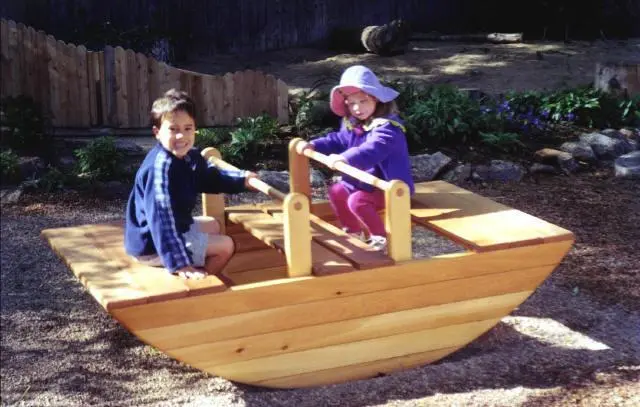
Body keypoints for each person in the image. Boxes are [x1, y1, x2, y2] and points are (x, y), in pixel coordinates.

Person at [124, 89, 257, 280]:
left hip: (167, 231)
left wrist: (242, 179)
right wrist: (180, 263)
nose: (182, 136)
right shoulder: (160, 170)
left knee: (213, 225)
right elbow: (162, 221)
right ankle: (202, 284)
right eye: (173, 129)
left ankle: (205, 267)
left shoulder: (187, 156)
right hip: (151, 245)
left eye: (188, 128)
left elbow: (209, 177)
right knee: (226, 245)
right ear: (157, 133)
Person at [303, 65, 414, 251]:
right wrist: (314, 145)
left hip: (390, 188)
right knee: (337, 191)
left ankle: (379, 237)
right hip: (363, 182)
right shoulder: (354, 123)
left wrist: (345, 158)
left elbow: (372, 149)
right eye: (351, 103)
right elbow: (338, 140)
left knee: (358, 201)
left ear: (377, 100)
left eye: (363, 101)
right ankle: (353, 231)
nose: (357, 108)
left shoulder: (387, 128)